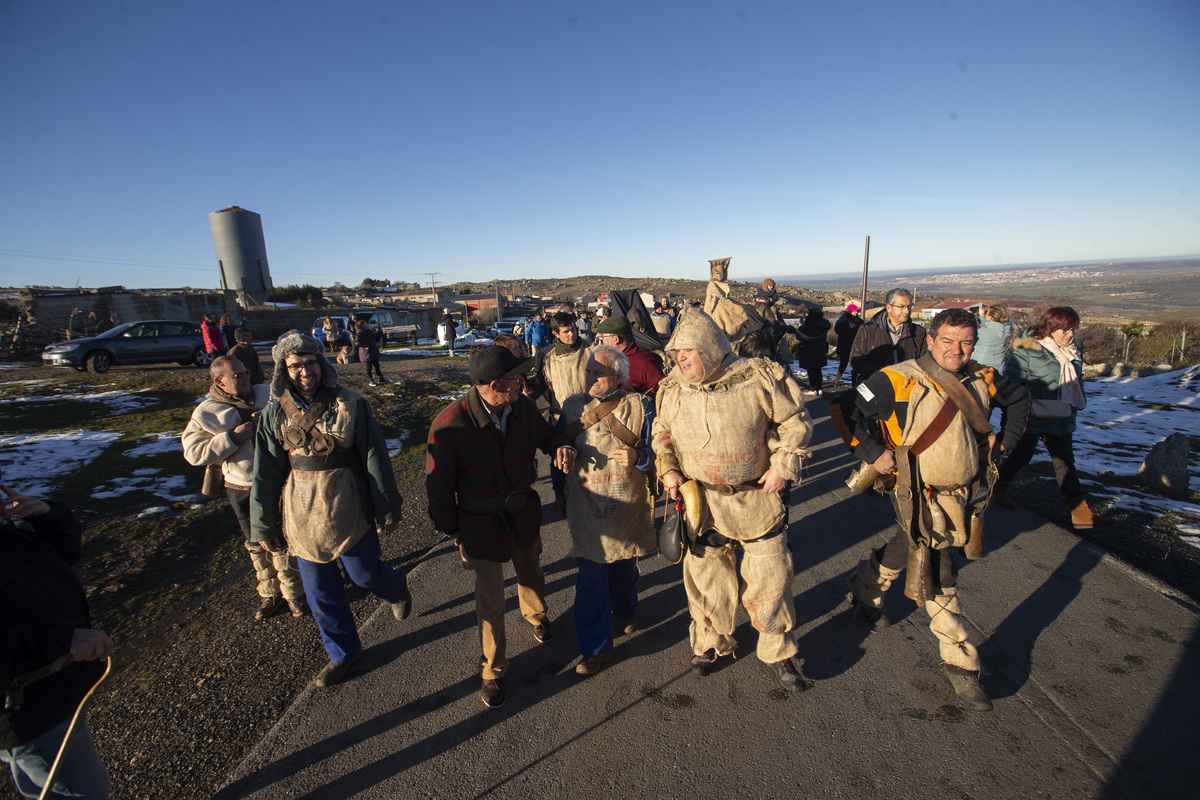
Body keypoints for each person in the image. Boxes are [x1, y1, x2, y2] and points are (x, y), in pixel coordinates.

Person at [836, 308, 1029, 712]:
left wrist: (1003, 443)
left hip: (963, 489)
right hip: (915, 489)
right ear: (930, 340)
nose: (957, 351)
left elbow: (1020, 400)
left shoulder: (982, 376)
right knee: (938, 560)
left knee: (906, 544)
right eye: (948, 341)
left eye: (966, 343)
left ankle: (866, 587)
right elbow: (845, 411)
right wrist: (874, 454)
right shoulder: (897, 378)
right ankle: (960, 658)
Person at [652, 309, 813, 690]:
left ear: (710, 348)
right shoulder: (674, 388)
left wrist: (783, 465)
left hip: (756, 500)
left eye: (689, 353)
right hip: (702, 503)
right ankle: (709, 643)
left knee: (770, 580)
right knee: (707, 579)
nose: (682, 361)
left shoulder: (758, 377)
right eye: (677, 355)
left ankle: (778, 651)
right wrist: (667, 467)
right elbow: (662, 432)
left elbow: (796, 422)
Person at [250, 331, 413, 688]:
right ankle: (344, 653)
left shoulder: (351, 403)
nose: (305, 371)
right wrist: (263, 526)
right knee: (319, 591)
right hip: (301, 510)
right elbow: (265, 472)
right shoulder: (274, 414)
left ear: (321, 363)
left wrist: (388, 509)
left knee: (365, 575)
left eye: (310, 363)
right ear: (283, 369)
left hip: (348, 503)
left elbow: (375, 457)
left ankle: (396, 588)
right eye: (295, 365)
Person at [425, 346, 577, 709]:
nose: (524, 382)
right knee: (491, 600)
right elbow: (439, 489)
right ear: (495, 384)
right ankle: (492, 670)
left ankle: (537, 615)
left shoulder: (521, 406)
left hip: (523, 514)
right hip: (479, 525)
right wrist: (453, 532)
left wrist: (562, 446)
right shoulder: (448, 426)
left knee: (531, 571)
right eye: (517, 377)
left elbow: (547, 436)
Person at [1, 480, 113, 800]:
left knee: (44, 786)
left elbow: (64, 554)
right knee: (84, 792)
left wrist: (47, 516)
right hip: (26, 708)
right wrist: (61, 639)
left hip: (50, 690)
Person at [553, 345, 656, 676]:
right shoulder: (571, 407)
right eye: (588, 371)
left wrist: (640, 459)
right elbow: (554, 447)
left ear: (619, 376)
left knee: (624, 565)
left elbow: (661, 451)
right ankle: (595, 649)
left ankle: (626, 611)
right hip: (587, 511)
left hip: (625, 505)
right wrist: (563, 455)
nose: (590, 378)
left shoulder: (640, 407)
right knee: (591, 579)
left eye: (598, 373)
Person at [183, 355, 305, 621]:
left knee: (284, 537)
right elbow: (193, 453)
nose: (245, 377)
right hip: (242, 486)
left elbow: (300, 417)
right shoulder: (206, 412)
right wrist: (232, 438)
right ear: (219, 381)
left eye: (245, 371)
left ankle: (294, 592)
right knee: (256, 542)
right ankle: (270, 593)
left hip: (281, 480)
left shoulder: (267, 394)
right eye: (237, 375)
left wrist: (276, 416)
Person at [996, 306, 1110, 529]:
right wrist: (1029, 403)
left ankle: (1081, 515)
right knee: (1021, 456)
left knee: (1065, 463)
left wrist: (1076, 402)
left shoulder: (1074, 351)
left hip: (1062, 415)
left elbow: (1077, 381)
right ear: (1050, 328)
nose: (1071, 334)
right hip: (1032, 415)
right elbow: (1011, 384)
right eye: (1065, 330)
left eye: (1073, 329)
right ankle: (1000, 487)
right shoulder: (1027, 351)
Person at [849, 288, 926, 386]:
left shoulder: (919, 333)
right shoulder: (868, 330)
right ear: (889, 307)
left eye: (909, 306)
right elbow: (856, 360)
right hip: (875, 386)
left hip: (906, 389)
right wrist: (885, 373)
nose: (907, 311)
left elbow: (924, 364)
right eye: (901, 307)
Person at [532, 312, 591, 425]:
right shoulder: (547, 357)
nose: (571, 334)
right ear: (556, 334)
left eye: (573, 329)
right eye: (566, 331)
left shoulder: (591, 349)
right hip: (562, 418)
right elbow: (543, 385)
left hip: (590, 415)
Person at [594, 315, 663, 398]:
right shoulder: (610, 357)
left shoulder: (644, 362)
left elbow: (664, 392)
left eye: (604, 337)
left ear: (616, 339)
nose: (603, 341)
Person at [793, 307, 832, 395]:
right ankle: (819, 388)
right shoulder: (823, 325)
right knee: (818, 369)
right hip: (821, 349)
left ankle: (813, 389)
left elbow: (799, 336)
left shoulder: (809, 325)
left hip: (809, 349)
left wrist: (800, 328)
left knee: (811, 370)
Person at [974, 305, 1013, 372]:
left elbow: (967, 340)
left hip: (981, 367)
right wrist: (982, 317)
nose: (985, 314)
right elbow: (991, 328)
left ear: (991, 317)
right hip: (998, 368)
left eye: (987, 313)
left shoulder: (983, 333)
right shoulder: (1005, 331)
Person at [833, 303, 863, 388]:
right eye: (854, 312)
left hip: (855, 346)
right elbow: (838, 330)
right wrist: (848, 327)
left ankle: (854, 383)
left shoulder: (859, 322)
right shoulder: (842, 321)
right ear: (850, 312)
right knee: (843, 363)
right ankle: (837, 380)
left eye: (856, 312)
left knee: (854, 365)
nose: (856, 313)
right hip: (844, 346)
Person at [354, 320, 386, 386]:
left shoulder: (368, 332)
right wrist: (365, 346)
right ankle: (371, 380)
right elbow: (357, 343)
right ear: (362, 325)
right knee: (369, 366)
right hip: (366, 352)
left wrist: (379, 333)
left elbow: (375, 338)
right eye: (365, 324)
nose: (367, 325)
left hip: (373, 350)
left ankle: (381, 378)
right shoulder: (359, 333)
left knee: (377, 365)